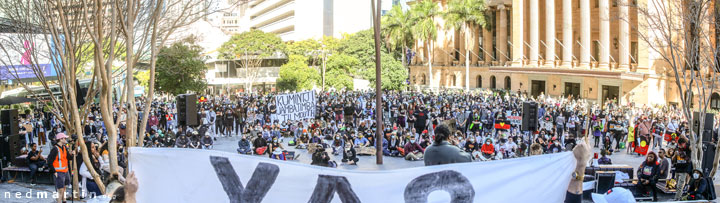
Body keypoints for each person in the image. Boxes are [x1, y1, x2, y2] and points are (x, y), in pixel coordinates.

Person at [46, 133, 74, 203]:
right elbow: (49, 161)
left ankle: (64, 201)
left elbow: (68, 158)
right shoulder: (55, 149)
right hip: (58, 172)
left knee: (64, 188)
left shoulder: (64, 147)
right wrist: (54, 172)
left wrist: (72, 154)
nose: (66, 139)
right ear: (60, 139)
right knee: (60, 190)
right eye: (64, 138)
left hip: (65, 171)